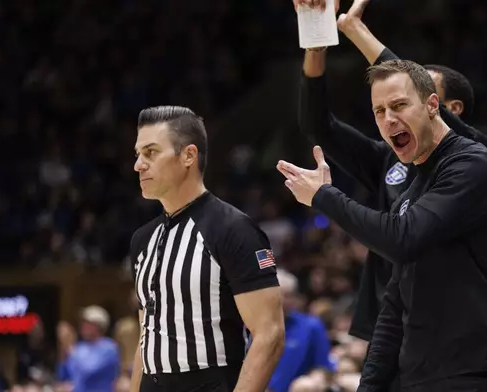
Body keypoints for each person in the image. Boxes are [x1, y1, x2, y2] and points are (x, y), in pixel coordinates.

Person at [277, 59, 487, 391]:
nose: (388, 119)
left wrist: (324, 197)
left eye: (398, 105)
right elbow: (395, 305)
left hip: (480, 370)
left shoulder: (473, 165)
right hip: (422, 373)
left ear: (433, 105)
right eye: (379, 111)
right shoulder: (413, 187)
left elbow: (402, 239)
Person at [295, 0, 487, 345]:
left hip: (455, 328)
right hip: (389, 323)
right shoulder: (389, 159)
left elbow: (405, 238)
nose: (392, 112)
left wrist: (356, 31)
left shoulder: (481, 160)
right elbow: (317, 125)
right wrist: (315, 39)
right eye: (381, 108)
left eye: (405, 101)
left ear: (443, 108)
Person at [129, 106, 285, 392]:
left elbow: (270, 334)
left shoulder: (234, 229)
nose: (138, 164)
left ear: (189, 155)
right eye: (138, 154)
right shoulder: (142, 240)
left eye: (150, 153)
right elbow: (146, 336)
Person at [268, 270, 334, 392]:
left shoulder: (311, 326)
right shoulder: (249, 327)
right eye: (278, 295)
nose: (282, 300)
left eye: (287, 295)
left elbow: (323, 368)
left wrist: (312, 382)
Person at [56, 306, 120, 392]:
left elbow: (89, 370)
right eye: (83, 322)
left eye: (88, 323)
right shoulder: (79, 347)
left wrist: (70, 349)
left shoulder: (109, 347)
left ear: (99, 326)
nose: (83, 326)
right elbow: (64, 375)